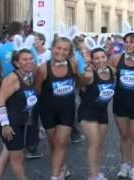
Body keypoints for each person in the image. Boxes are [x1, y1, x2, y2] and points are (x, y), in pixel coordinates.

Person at [108, 22, 134, 180]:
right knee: (124, 136)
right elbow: (105, 77)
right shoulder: (115, 58)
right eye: (126, 41)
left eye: (132, 41)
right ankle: (124, 165)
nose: (128, 44)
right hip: (120, 102)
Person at [0, 21, 42, 159]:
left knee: (13, 114)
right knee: (31, 117)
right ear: (21, 32)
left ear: (8, 32)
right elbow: (36, 69)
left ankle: (13, 145)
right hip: (27, 88)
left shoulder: (0, 49)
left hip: (8, 89)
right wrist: (36, 90)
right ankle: (30, 148)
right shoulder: (29, 49)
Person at [35, 35, 79, 180]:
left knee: (61, 140)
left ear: (69, 52)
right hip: (47, 110)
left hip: (67, 109)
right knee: (53, 142)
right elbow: (37, 90)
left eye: (65, 50)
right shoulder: (42, 68)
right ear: (52, 48)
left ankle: (55, 176)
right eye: (58, 48)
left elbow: (78, 81)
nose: (61, 52)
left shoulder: (73, 64)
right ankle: (62, 167)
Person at [0, 49, 37, 180]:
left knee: (6, 154)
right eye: (24, 59)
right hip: (9, 123)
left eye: (31, 58)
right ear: (17, 63)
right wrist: (5, 124)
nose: (29, 61)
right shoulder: (12, 78)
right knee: (17, 158)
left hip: (19, 121)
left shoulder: (27, 76)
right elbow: (0, 101)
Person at [79, 36, 115, 180]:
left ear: (107, 57)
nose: (100, 60)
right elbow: (83, 79)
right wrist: (87, 65)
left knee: (100, 145)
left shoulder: (112, 71)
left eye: (103, 57)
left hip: (102, 114)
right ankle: (93, 176)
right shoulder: (89, 73)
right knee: (94, 144)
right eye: (97, 58)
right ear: (92, 60)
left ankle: (98, 173)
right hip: (87, 113)